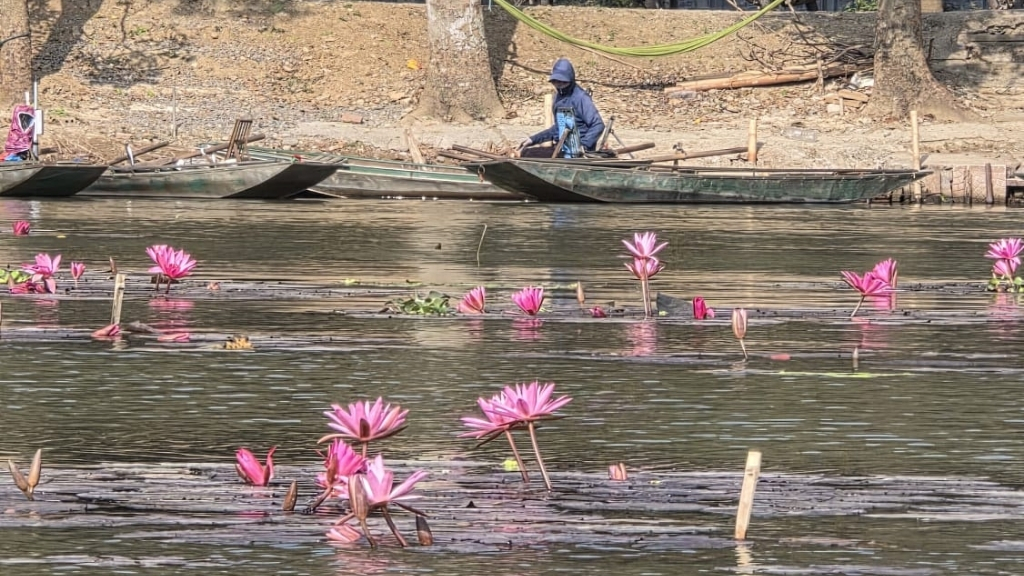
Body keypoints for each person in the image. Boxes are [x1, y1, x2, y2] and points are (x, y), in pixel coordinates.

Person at [518, 58, 606, 157]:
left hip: (577, 151)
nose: (559, 85)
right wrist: (533, 139)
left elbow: (598, 125)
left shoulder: (581, 98)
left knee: (528, 154)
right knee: (526, 151)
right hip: (562, 147)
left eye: (563, 82)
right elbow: (558, 128)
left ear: (570, 80)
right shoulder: (558, 97)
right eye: (556, 82)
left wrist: (583, 145)